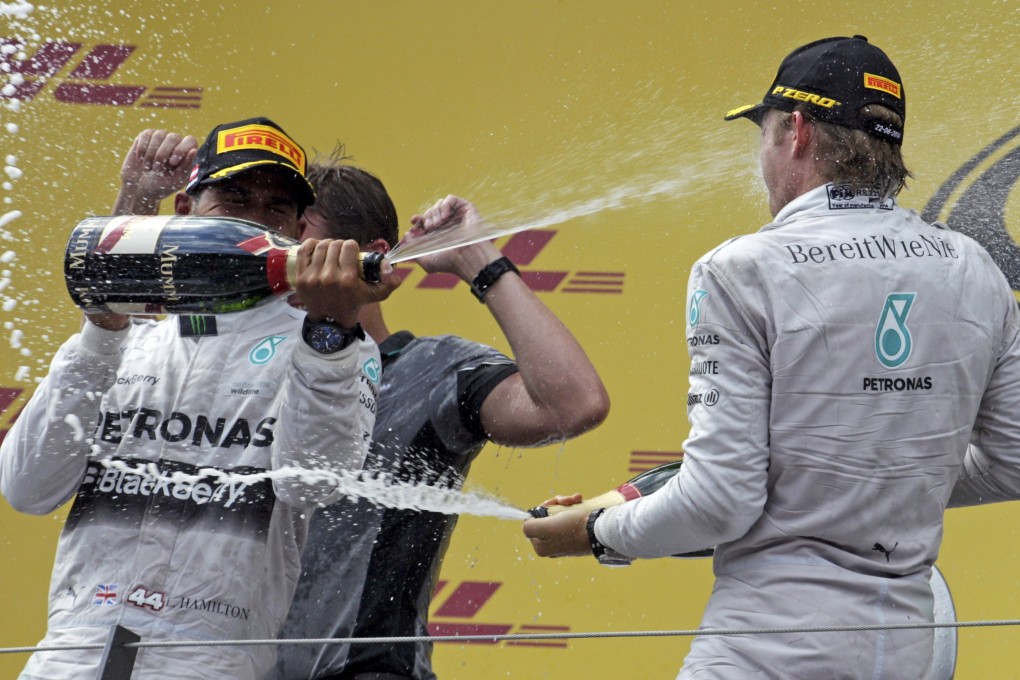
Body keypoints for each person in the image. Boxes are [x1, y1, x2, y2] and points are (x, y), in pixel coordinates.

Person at [523, 36, 1020, 678]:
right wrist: (873, 481)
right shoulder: (971, 267)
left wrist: (596, 532)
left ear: (798, 132)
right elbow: (1013, 462)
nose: (760, 157)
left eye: (762, 134)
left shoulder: (741, 270)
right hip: (906, 653)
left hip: (767, 651)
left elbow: (720, 501)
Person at [0, 117, 400, 679]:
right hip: (70, 654)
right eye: (233, 198)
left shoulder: (329, 345)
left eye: (276, 209)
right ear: (185, 212)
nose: (253, 221)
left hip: (209, 660)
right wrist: (101, 329)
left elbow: (313, 485)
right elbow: (26, 489)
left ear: (300, 227)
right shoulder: (123, 338)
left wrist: (331, 324)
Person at [271, 158, 610, 679]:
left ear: (370, 261)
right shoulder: (226, 380)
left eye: (301, 253)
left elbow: (573, 404)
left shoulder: (431, 374)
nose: (281, 273)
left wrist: (480, 261)